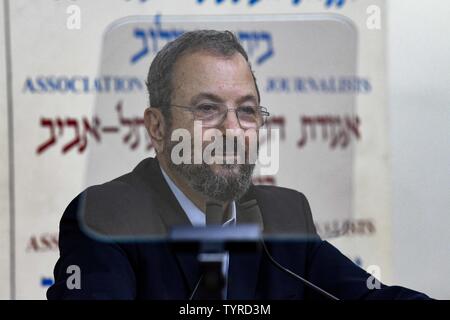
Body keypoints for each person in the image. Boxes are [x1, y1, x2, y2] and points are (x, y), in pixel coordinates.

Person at [47, 30, 429, 300]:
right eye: (207, 109)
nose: (233, 131)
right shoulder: (104, 218)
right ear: (158, 127)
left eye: (247, 111)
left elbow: (369, 297)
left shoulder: (283, 215)